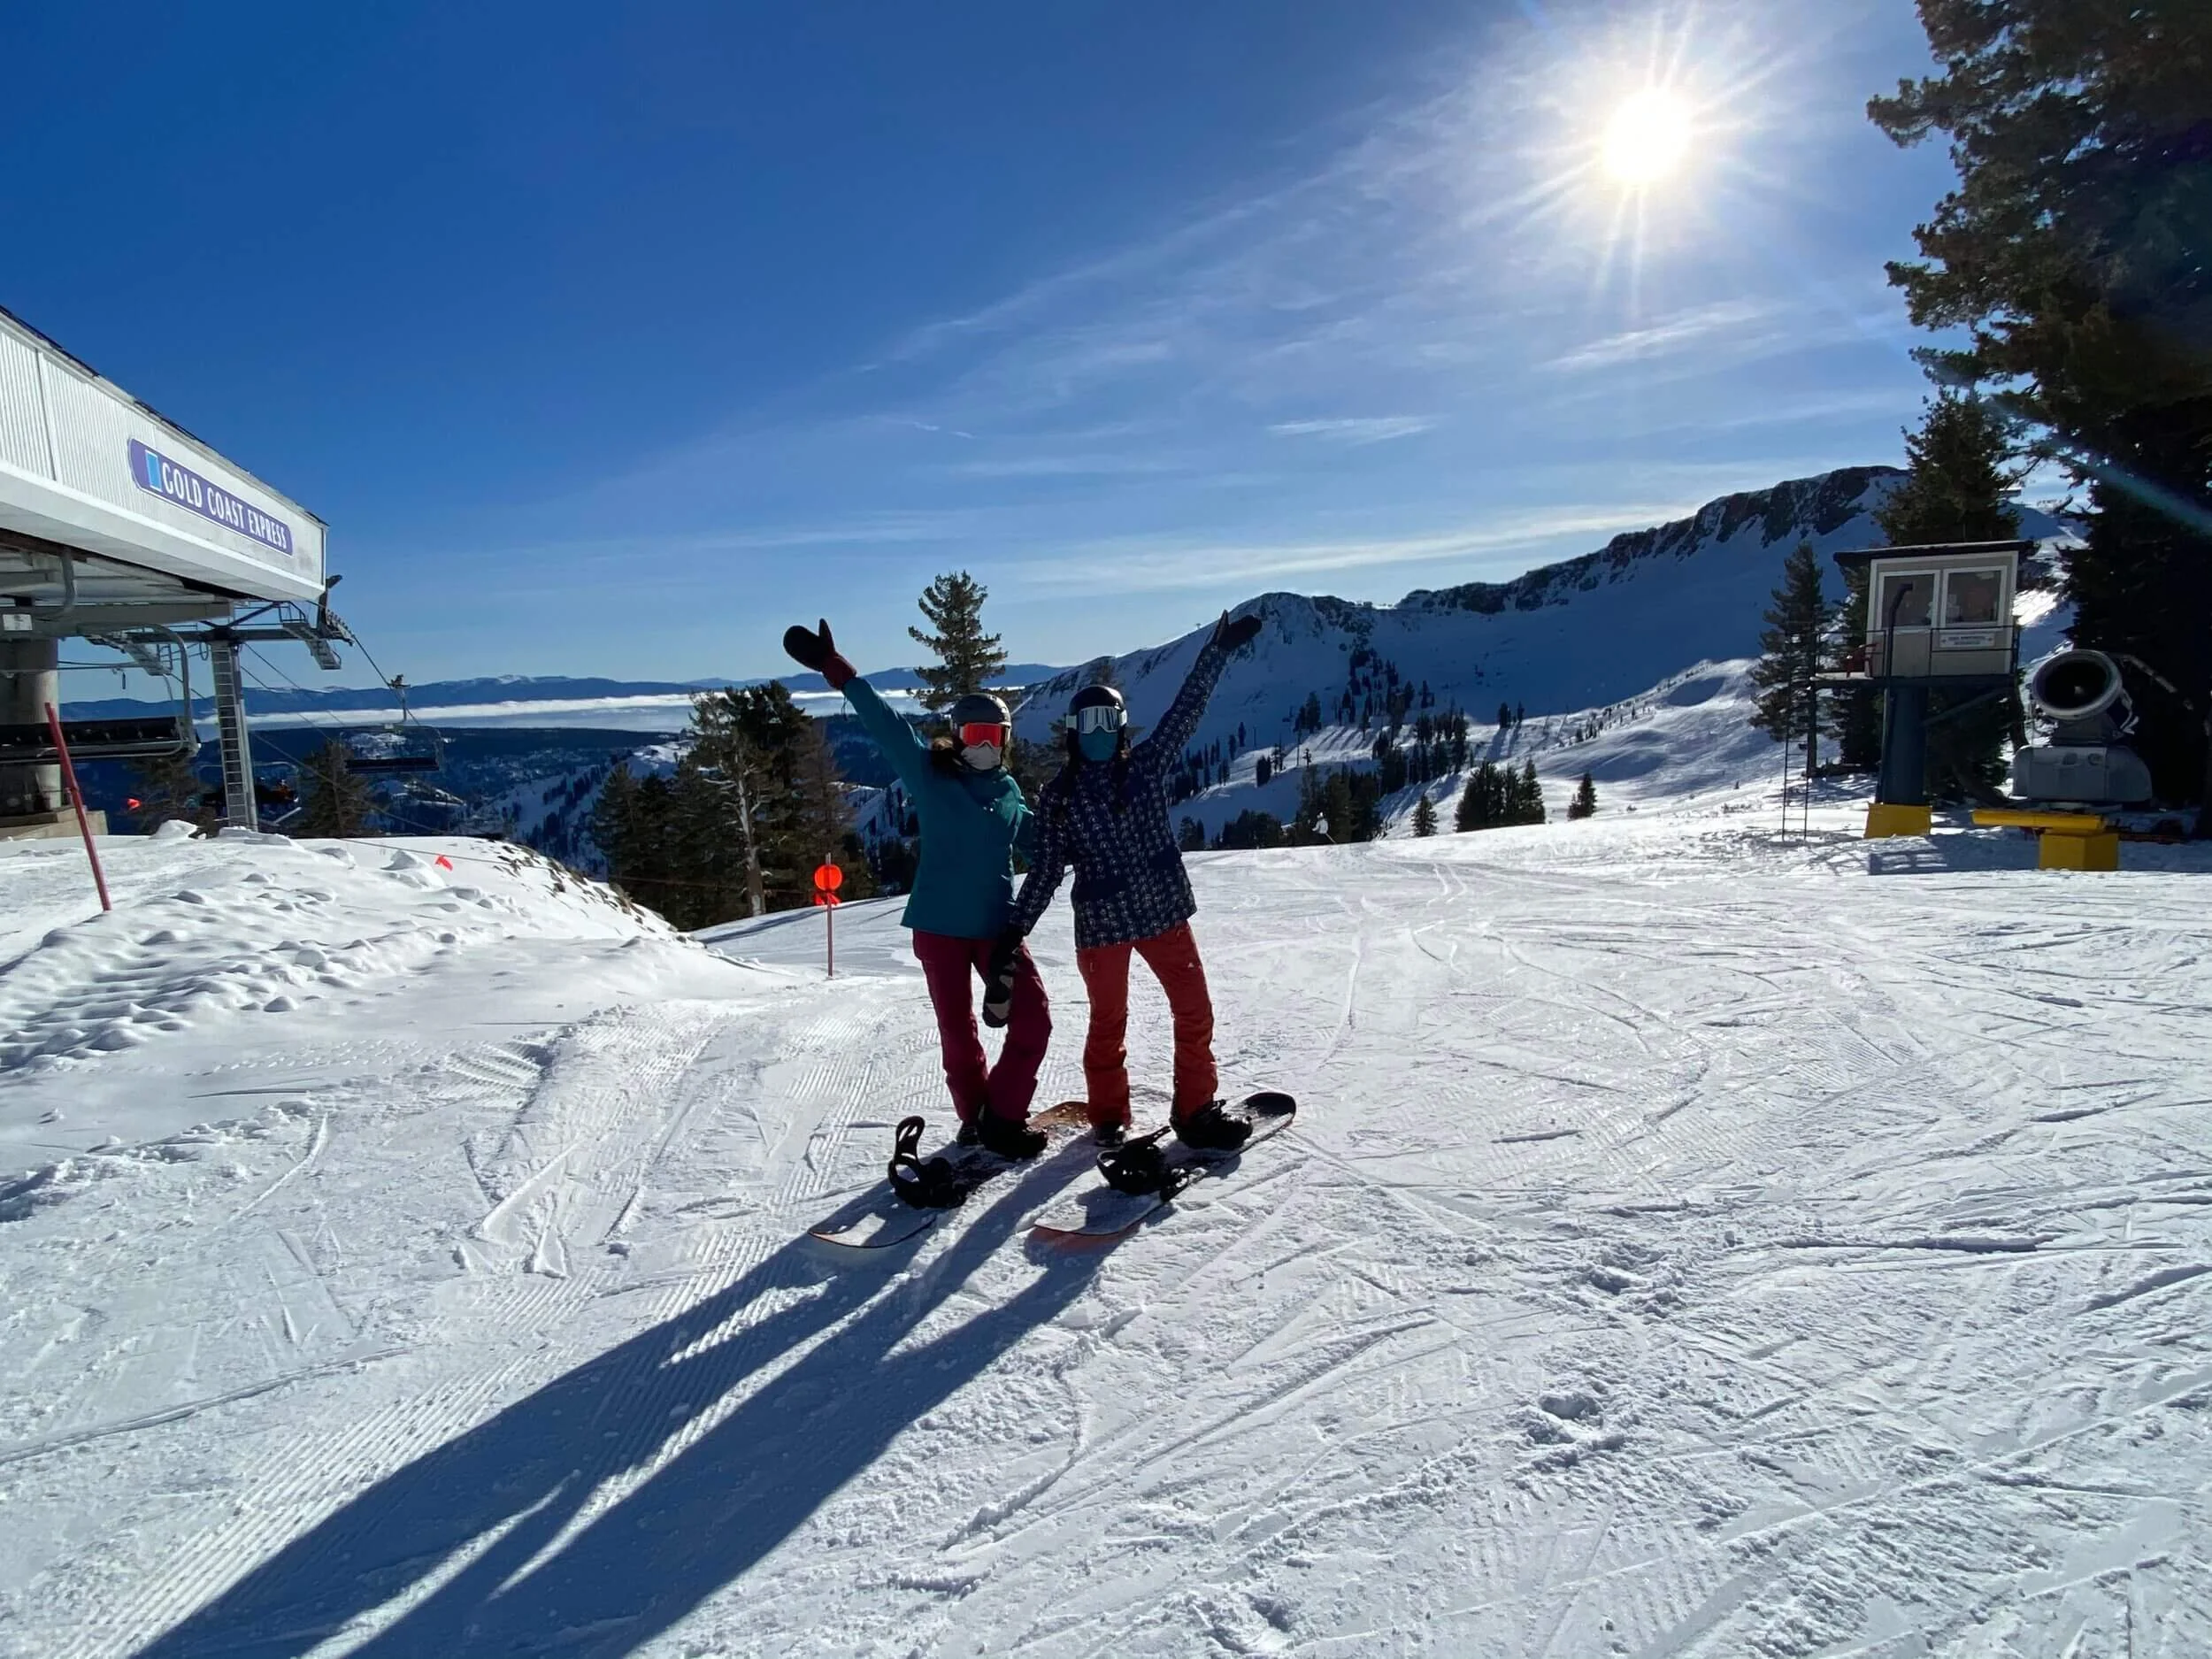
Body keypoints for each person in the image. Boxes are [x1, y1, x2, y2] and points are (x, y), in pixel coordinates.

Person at [985, 610, 1263, 1150]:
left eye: (1106, 725)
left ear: (1120, 729)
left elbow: (1187, 710)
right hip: (1103, 925)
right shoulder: (1059, 798)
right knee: (1108, 1024)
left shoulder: (1147, 766)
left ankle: (1196, 1109)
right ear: (1072, 734)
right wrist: (1015, 928)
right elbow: (1044, 872)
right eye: (1086, 726)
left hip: (1162, 912)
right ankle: (1110, 1116)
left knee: (1194, 1011)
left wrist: (1218, 651)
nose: (1097, 735)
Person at [782, 618, 1051, 1159]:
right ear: (957, 735)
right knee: (958, 1031)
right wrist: (843, 674)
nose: (982, 746)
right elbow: (885, 725)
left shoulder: (1006, 788)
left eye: (992, 737)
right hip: (938, 926)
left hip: (996, 927)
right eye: (972, 735)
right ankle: (975, 1119)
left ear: (1005, 741)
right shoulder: (933, 775)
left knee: (1035, 1018)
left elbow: (1038, 839)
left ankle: (1001, 1113)